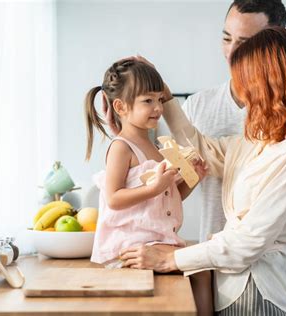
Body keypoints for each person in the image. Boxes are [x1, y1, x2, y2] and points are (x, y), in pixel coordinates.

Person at [121, 26, 286, 315]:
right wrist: (166, 97)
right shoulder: (262, 139)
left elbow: (248, 243)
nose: (242, 93)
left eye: (245, 83)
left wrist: (170, 259)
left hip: (262, 293)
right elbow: (202, 148)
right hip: (234, 289)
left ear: (269, 85)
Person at [178, 1, 286, 314]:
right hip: (215, 275)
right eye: (226, 38)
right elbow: (201, 154)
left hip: (269, 281)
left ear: (274, 44)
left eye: (244, 43)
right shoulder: (210, 111)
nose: (231, 52)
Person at [83, 59, 212, 315]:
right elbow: (114, 198)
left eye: (159, 99)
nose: (157, 108)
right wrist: (154, 188)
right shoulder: (121, 147)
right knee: (201, 268)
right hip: (130, 245)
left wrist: (193, 179)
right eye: (148, 101)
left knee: (202, 267)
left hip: (154, 241)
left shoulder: (155, 148)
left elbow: (167, 197)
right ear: (120, 106)